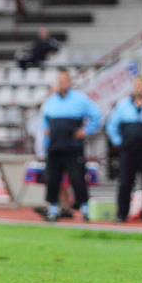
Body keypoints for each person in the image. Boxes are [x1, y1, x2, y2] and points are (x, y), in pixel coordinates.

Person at [40, 68, 101, 221]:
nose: (62, 83)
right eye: (60, 81)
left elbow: (96, 115)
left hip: (73, 147)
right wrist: (46, 130)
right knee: (52, 179)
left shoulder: (80, 99)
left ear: (70, 82)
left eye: (65, 80)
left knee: (78, 179)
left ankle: (85, 208)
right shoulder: (51, 100)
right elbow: (44, 119)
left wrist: (86, 131)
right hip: (54, 147)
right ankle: (53, 208)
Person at [106, 76, 142, 223]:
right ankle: (122, 213)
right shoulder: (123, 105)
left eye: (141, 85)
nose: (139, 87)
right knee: (125, 182)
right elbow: (111, 126)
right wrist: (119, 142)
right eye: (136, 85)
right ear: (133, 86)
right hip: (128, 150)